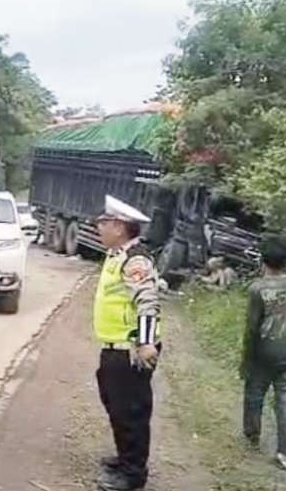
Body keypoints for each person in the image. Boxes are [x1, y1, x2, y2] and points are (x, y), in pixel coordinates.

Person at [92, 195, 162, 491]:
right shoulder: (118, 255)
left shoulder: (135, 260)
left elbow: (147, 300)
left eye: (104, 222)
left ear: (120, 227)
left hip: (130, 351)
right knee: (116, 405)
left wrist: (146, 343)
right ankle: (125, 458)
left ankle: (133, 475)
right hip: (114, 347)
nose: (99, 227)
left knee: (131, 412)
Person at [242, 236, 286, 470]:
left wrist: (246, 359)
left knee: (254, 393)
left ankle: (252, 436)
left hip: (263, 351)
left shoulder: (257, 288)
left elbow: (252, 327)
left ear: (263, 260)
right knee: (285, 400)